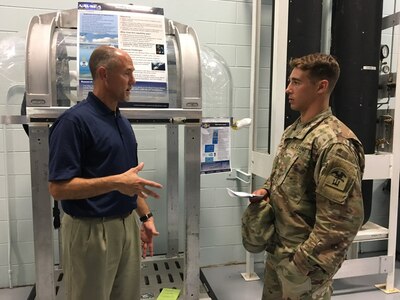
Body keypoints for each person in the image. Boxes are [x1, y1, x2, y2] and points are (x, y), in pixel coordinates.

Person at [48, 45, 163, 300]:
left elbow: (129, 179)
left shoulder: (120, 121)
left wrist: (145, 218)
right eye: (127, 73)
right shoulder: (73, 122)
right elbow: (58, 188)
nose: (133, 81)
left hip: (126, 228)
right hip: (90, 231)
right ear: (103, 74)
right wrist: (115, 183)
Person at [251, 53, 365, 299]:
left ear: (321, 87)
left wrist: (301, 265)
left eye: (296, 82)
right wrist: (266, 190)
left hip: (304, 267)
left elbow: (340, 222)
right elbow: (282, 177)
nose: (287, 89)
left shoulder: (334, 142)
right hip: (279, 255)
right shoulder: (294, 131)